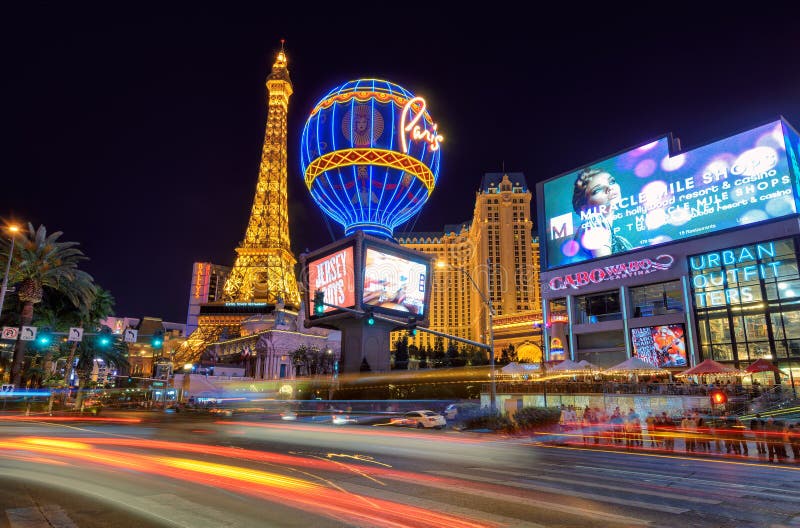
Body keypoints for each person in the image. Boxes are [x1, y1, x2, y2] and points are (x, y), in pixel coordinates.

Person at [571, 167, 633, 258]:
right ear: (584, 208)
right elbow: (604, 268)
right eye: (597, 190)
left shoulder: (621, 240)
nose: (609, 188)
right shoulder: (595, 222)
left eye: (612, 182)